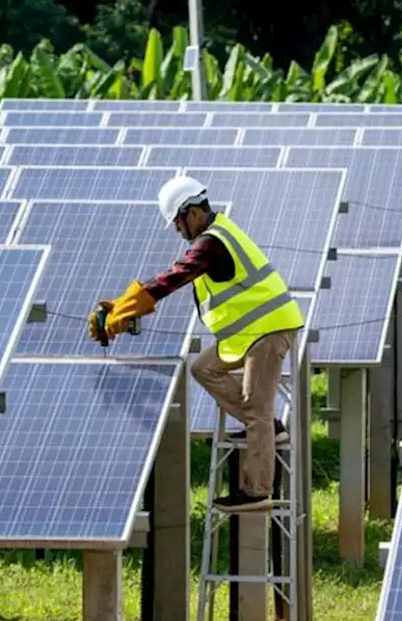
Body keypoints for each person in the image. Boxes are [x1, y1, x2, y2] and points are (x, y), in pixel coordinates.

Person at [89, 176, 304, 512]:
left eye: (177, 221)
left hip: (270, 329)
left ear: (191, 212)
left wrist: (127, 306)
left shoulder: (211, 243)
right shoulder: (216, 233)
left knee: (257, 404)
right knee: (203, 367)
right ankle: (263, 427)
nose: (176, 230)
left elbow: (173, 278)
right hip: (249, 335)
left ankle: (257, 490)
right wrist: (123, 305)